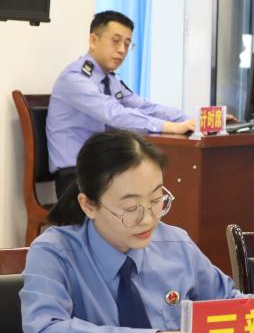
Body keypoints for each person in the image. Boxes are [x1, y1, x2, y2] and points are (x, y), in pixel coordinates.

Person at [21, 130, 245, 333]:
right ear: (88, 205)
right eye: (130, 208)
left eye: (156, 200)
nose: (147, 220)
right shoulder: (54, 253)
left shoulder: (177, 245)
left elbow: (231, 305)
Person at [46, 10, 196, 197]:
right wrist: (170, 127)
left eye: (127, 44)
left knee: (158, 185)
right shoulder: (75, 79)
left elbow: (145, 107)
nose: (122, 50)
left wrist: (193, 121)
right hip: (75, 177)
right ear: (93, 40)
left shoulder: (110, 80)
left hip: (103, 171)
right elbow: (114, 114)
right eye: (116, 41)